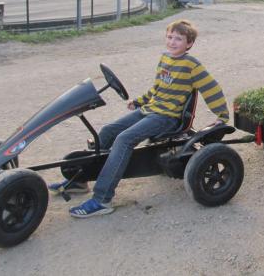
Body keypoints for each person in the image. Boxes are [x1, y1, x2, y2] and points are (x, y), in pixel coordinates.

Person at [50, 19, 230, 218]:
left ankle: (102, 199)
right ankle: (81, 178)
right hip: (151, 109)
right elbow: (157, 89)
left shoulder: (191, 65)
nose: (172, 42)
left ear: (189, 43)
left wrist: (222, 115)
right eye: (170, 37)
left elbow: (211, 88)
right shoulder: (165, 58)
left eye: (178, 39)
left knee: (124, 139)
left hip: (167, 117)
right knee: (109, 130)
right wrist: (139, 101)